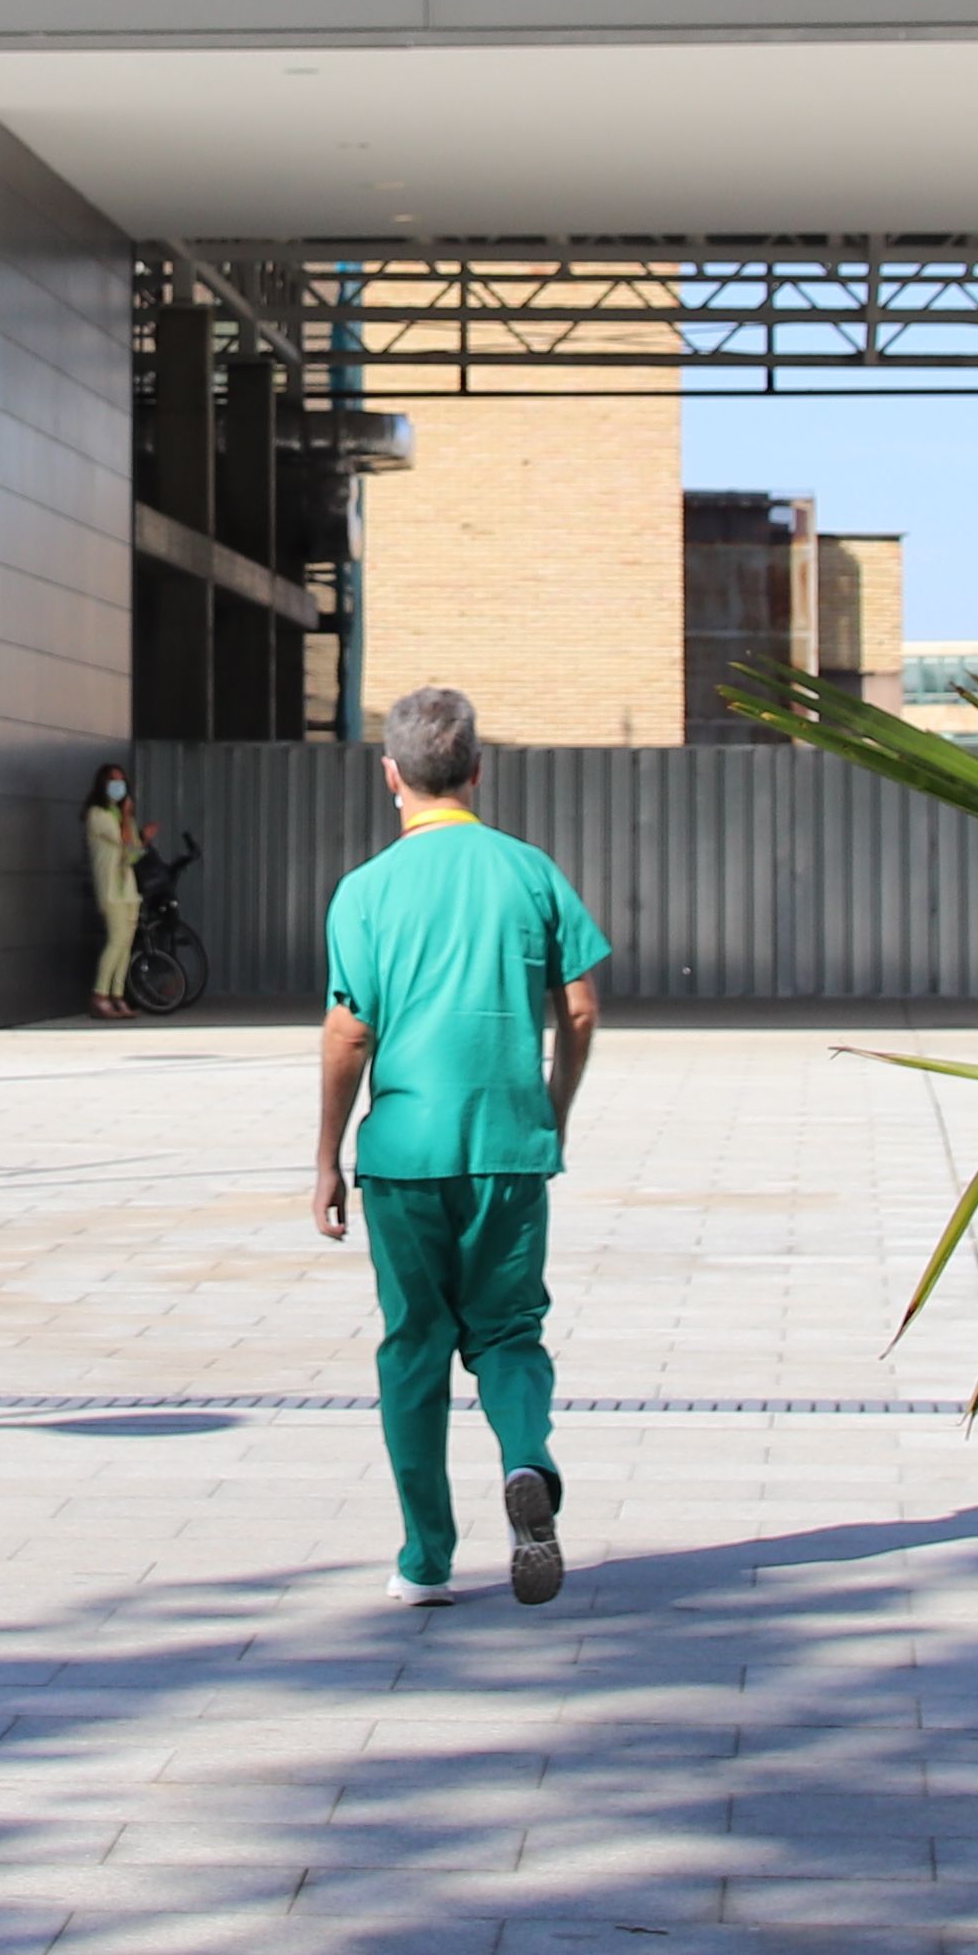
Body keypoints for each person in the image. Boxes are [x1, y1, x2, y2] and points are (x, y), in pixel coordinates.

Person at [306, 686, 606, 1605]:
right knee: (511, 1334)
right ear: (478, 770)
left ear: (390, 775)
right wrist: (552, 1107)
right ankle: (525, 1461)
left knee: (414, 1348)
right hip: (510, 1148)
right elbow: (582, 1008)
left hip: (404, 1156)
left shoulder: (364, 891)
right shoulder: (529, 871)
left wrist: (325, 1157)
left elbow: (348, 1033)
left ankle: (425, 1561)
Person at [83, 762, 148, 1018]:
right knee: (117, 939)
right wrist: (128, 819)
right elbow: (122, 840)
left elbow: (132, 852)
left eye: (121, 781)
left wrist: (143, 837)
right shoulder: (98, 815)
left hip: (128, 888)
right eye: (113, 781)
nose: (118, 786)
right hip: (110, 888)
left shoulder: (122, 817)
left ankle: (117, 995)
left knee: (127, 943)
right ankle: (100, 994)